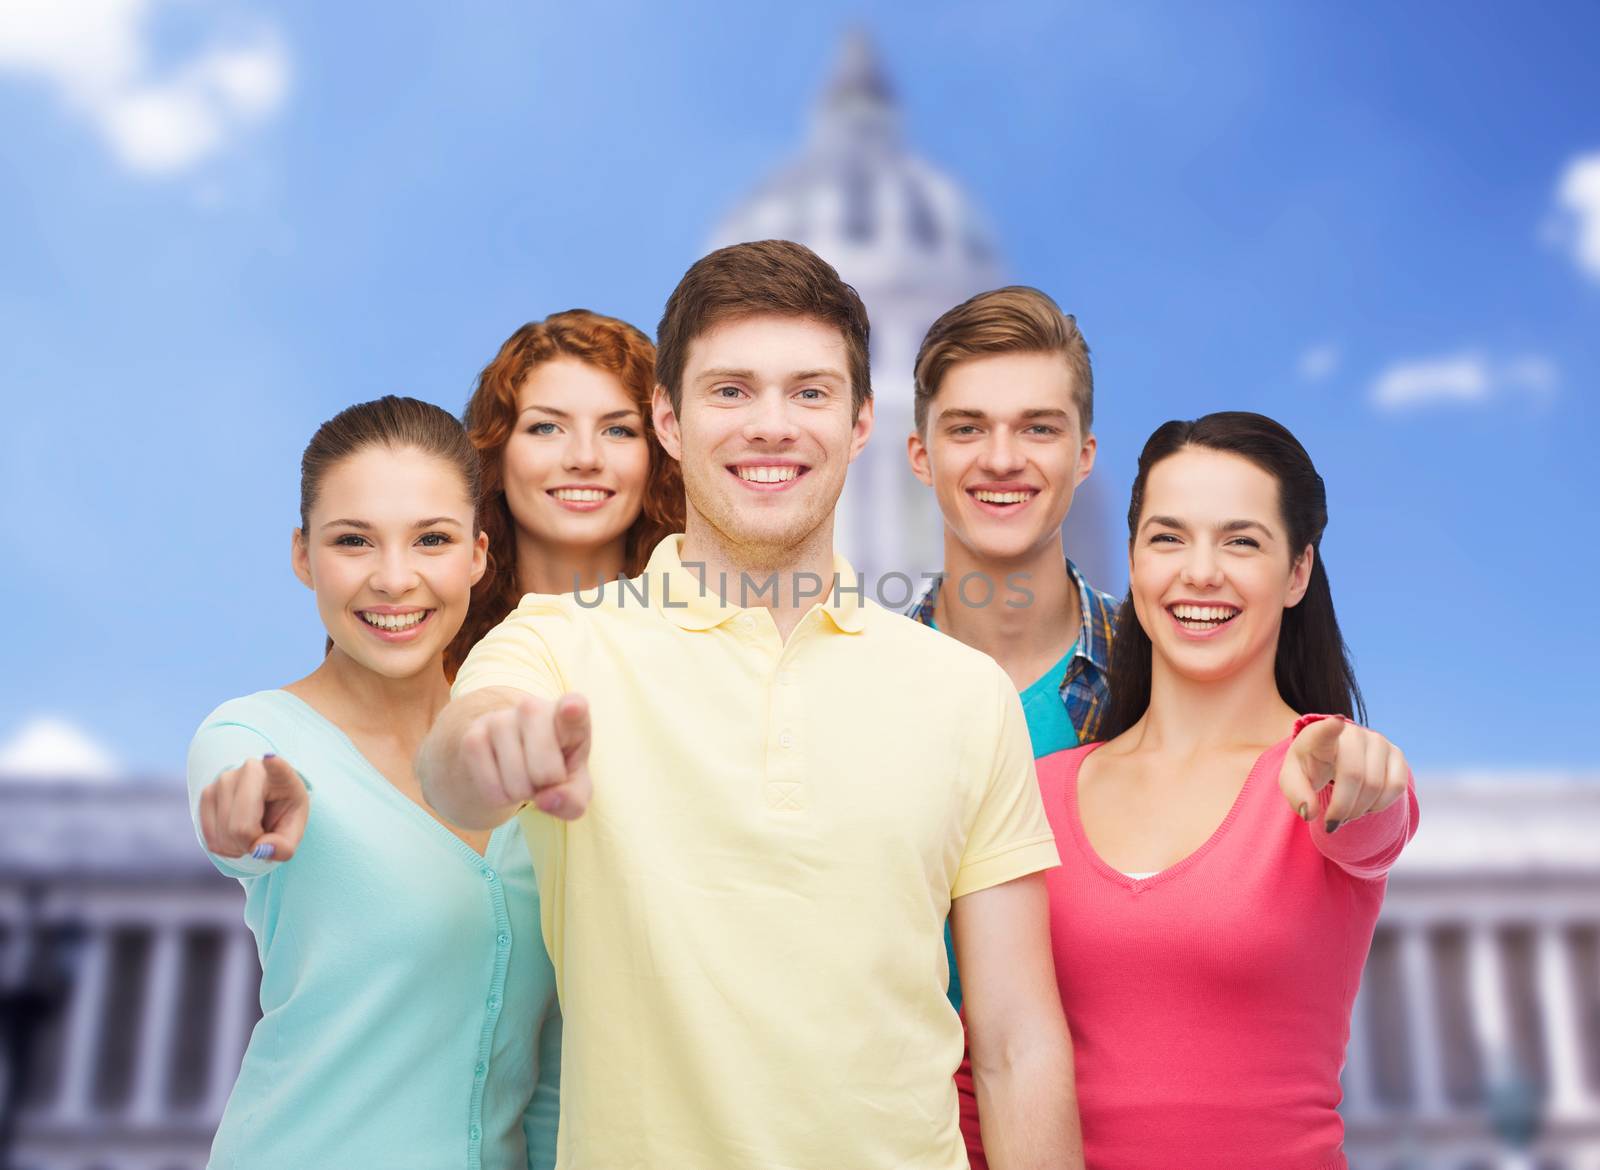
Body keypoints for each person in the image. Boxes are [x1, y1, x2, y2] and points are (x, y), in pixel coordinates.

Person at [418, 240, 1084, 1170]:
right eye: (731, 391)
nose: (771, 426)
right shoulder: (559, 642)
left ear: (860, 425)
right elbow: (456, 761)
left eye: (809, 393)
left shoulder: (965, 693)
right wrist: (493, 751)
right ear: (670, 422)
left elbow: (1016, 1042)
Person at [960, 410, 1418, 1169]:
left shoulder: (1323, 774)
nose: (1199, 572)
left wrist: (1358, 770)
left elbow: (1376, 819)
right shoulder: (1030, 789)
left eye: (1242, 541)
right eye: (1168, 538)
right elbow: (985, 1071)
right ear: (1133, 561)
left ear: (1298, 571)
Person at [187, 397, 562, 1170]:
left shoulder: (521, 752)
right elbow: (237, 812)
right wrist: (243, 827)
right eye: (353, 541)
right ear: (302, 555)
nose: (395, 580)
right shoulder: (254, 738)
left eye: (431, 540)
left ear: (479, 555)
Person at [903, 286, 1118, 1013]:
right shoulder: (851, 686)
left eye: (1038, 429)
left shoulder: (1165, 675)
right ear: (919, 455)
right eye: (966, 429)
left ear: (1084, 455)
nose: (1002, 460)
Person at [446, 310, 684, 678]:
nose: (584, 458)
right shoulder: (433, 653)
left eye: (618, 430)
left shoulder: (713, 644)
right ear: (495, 455)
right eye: (546, 427)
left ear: (658, 457)